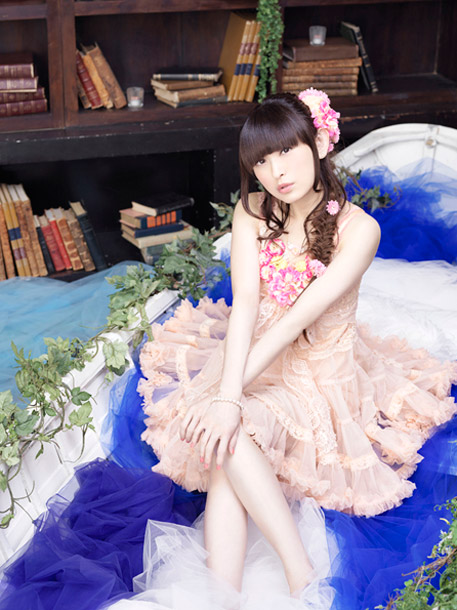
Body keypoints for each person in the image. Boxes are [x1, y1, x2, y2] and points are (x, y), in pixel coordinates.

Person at [136, 88, 457, 603]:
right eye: (261, 161)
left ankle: (295, 572)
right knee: (225, 439)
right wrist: (224, 391)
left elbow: (292, 325)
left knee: (230, 433)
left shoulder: (361, 231)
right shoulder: (253, 211)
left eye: (286, 150)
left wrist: (226, 399)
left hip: (319, 371)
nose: (275, 172)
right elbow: (246, 306)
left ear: (320, 144)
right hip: (252, 353)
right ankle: (229, 592)